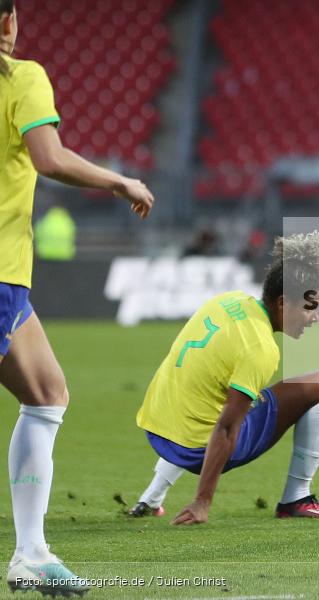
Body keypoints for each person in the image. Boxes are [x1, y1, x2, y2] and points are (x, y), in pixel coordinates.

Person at [1, 1, 154, 594]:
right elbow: (49, 157)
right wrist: (120, 180)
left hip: (11, 287)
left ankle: (31, 554)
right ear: (9, 21)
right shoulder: (22, 77)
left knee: (47, 394)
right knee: (46, 398)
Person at [128, 233, 319, 524]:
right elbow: (226, 427)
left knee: (211, 398)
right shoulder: (261, 350)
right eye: (310, 307)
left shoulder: (229, 300)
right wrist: (201, 501)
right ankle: (297, 497)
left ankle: (151, 497)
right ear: (283, 303)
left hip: (156, 425)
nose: (315, 317)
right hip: (196, 449)